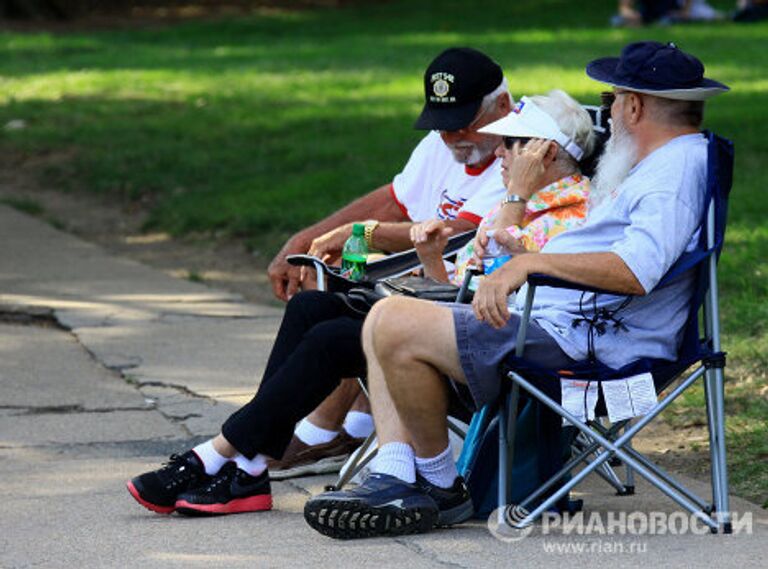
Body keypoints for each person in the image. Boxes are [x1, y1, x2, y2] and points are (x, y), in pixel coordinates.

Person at [303, 40, 729, 540]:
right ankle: (400, 477)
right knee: (388, 317)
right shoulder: (669, 162)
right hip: (566, 322)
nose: (607, 112)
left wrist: (527, 264)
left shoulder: (672, 172)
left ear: (634, 105)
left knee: (393, 322)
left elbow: (635, 272)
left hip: (595, 347)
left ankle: (437, 487)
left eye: (612, 99)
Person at [126, 46, 514, 516]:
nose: (451, 135)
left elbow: (456, 236)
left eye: (462, 122)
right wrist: (306, 240)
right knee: (309, 308)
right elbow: (396, 200)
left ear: (503, 106)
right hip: (419, 297)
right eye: (441, 121)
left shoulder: (522, 152)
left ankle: (217, 457)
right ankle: (248, 468)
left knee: (332, 338)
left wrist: (358, 233)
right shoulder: (449, 139)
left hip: (462, 319)